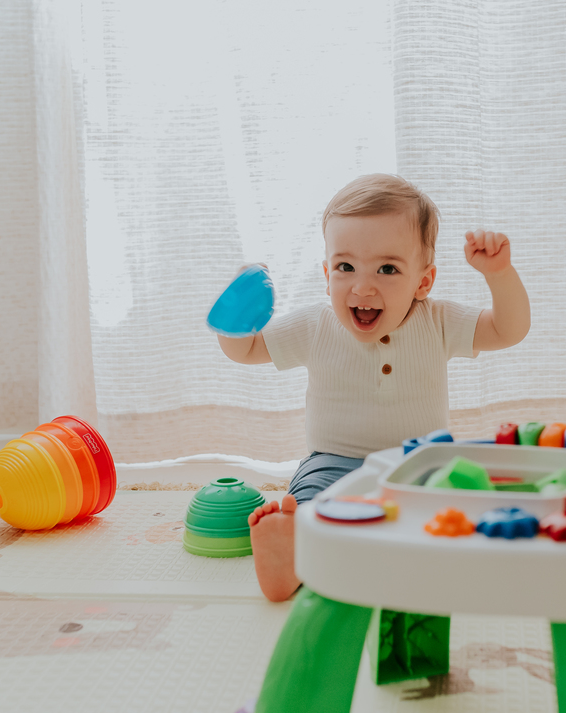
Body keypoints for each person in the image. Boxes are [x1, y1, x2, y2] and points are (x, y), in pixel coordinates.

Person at [216, 173, 530, 601]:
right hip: (334, 462)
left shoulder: (437, 321)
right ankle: (290, 547)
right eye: (345, 267)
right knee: (312, 503)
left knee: (457, 498)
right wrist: (236, 316)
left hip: (420, 464)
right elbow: (247, 349)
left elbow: (508, 329)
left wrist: (499, 273)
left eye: (387, 268)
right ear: (327, 274)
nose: (362, 287)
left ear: (423, 282)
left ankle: (400, 553)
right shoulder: (315, 324)